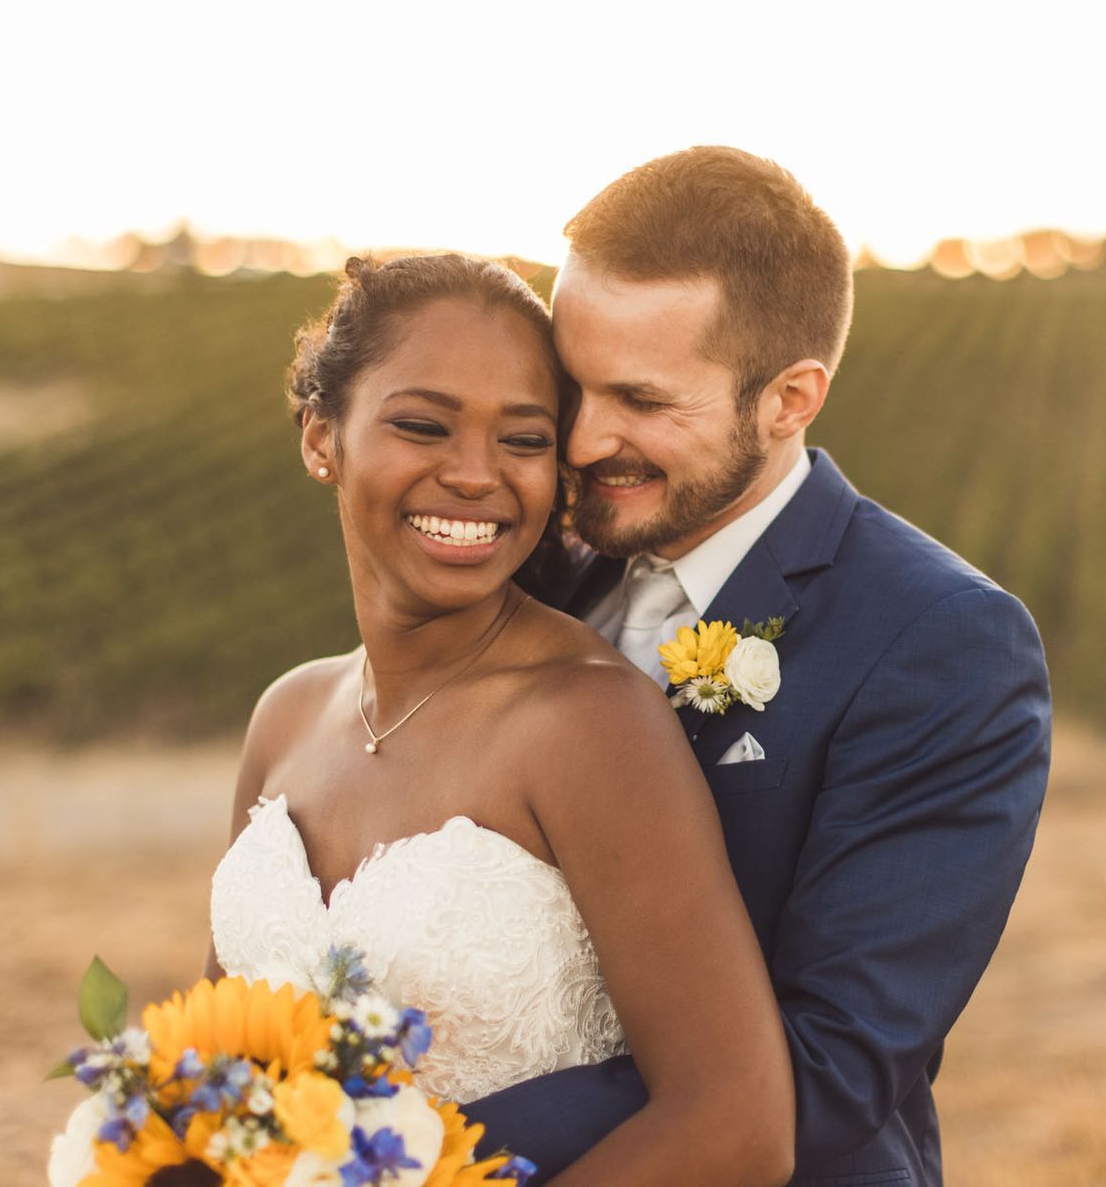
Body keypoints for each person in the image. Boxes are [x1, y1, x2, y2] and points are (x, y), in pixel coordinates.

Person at [462, 148, 1052, 1186]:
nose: (586, 436)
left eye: (641, 399)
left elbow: (826, 1068)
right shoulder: (537, 566)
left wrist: (431, 1141)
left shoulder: (942, 640)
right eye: (572, 383)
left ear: (789, 399)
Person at [206, 253, 796, 1187]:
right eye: (423, 425)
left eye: (523, 440)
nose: (476, 475)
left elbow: (736, 1126)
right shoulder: (285, 717)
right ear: (323, 437)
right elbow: (217, 1075)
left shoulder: (589, 724)